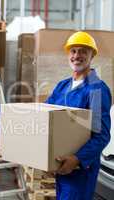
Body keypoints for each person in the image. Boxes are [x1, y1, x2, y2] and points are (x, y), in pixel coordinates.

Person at [46, 31, 111, 199]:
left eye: (83, 51)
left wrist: (77, 159)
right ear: (68, 54)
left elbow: (102, 135)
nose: (77, 55)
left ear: (92, 55)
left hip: (80, 170)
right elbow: (44, 117)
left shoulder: (96, 89)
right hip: (59, 165)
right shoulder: (62, 86)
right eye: (73, 51)